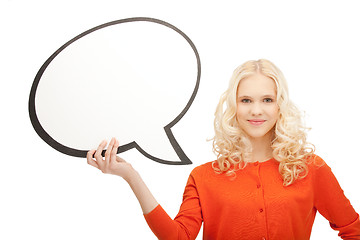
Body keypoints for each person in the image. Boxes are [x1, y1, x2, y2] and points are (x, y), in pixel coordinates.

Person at [87, 59, 360, 239]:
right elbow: (178, 237)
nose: (256, 110)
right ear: (234, 107)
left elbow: (353, 229)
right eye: (245, 100)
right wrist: (131, 176)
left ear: (280, 106)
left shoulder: (311, 169)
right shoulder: (204, 177)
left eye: (267, 99)